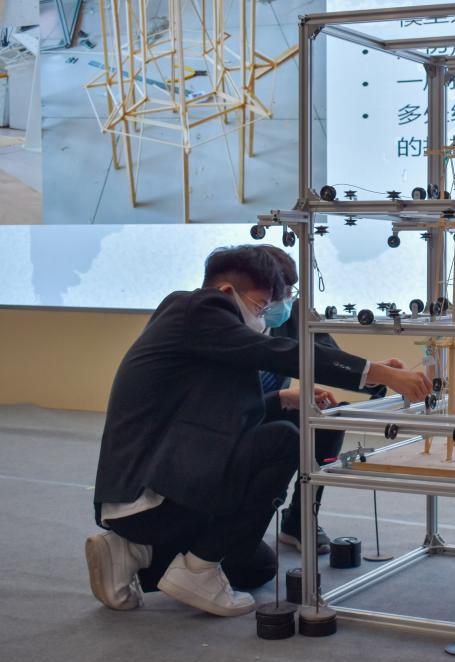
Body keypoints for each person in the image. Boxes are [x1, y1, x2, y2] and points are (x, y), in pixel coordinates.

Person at [86, 245, 431, 617]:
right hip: (151, 490)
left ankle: (135, 551)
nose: (268, 315)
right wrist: (383, 373)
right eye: (262, 305)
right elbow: (278, 352)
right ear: (226, 292)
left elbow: (213, 412)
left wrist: (283, 397)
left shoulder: (202, 326)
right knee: (283, 441)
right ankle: (196, 568)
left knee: (256, 568)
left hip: (169, 483)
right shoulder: (199, 309)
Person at [257, 245, 391, 554]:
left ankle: (300, 518)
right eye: (281, 293)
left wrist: (377, 375)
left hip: (272, 406)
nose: (287, 300)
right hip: (235, 414)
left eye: (291, 292)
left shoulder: (291, 311)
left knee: (330, 417)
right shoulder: (227, 320)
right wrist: (285, 396)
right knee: (285, 435)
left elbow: (328, 357)